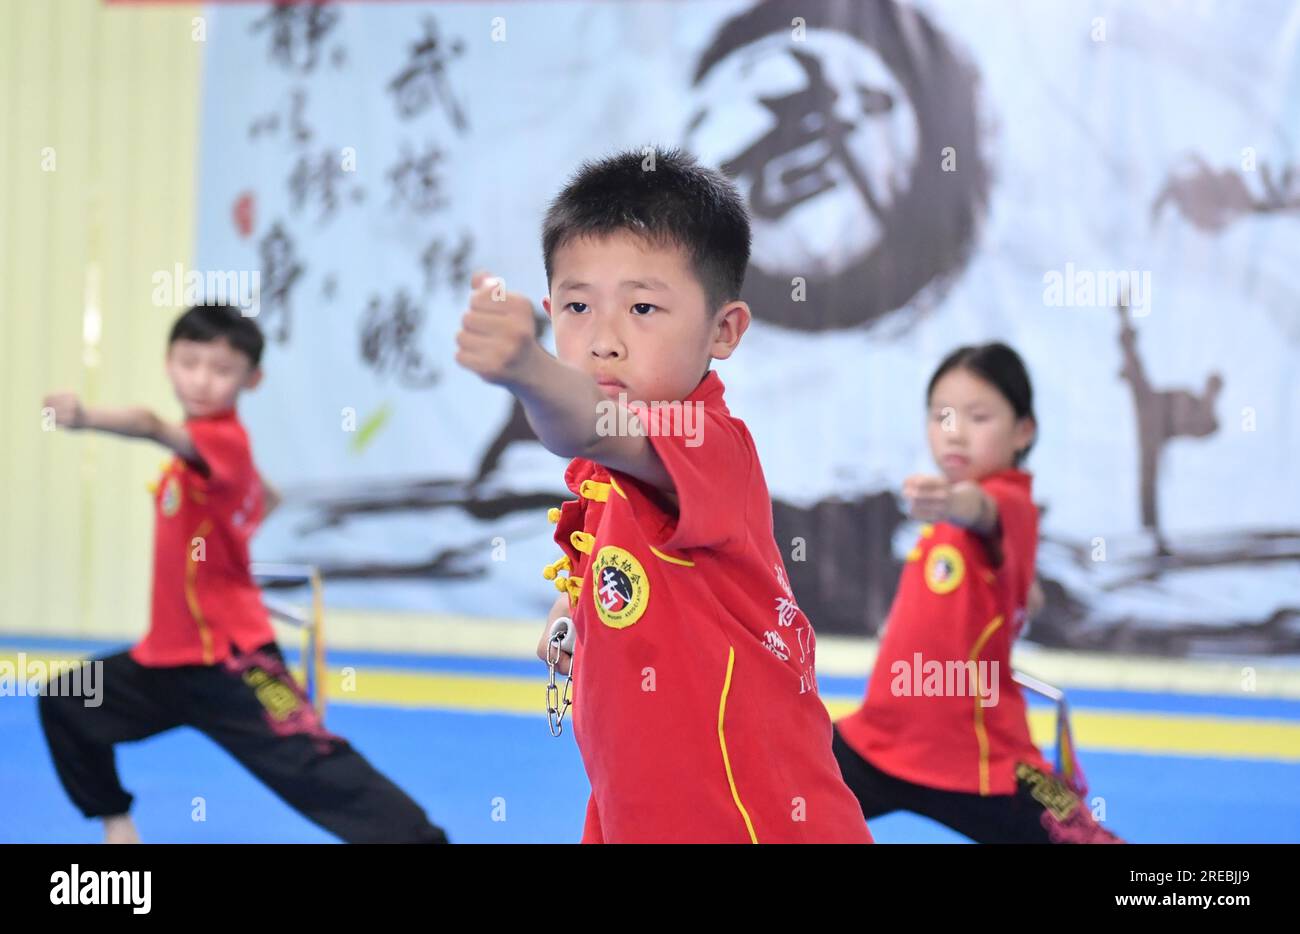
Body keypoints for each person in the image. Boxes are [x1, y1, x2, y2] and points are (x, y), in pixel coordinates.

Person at [455, 147, 871, 843]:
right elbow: (611, 541)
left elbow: (588, 422)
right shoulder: (606, 470)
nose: (604, 341)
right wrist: (573, 609)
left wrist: (528, 368)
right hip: (634, 811)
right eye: (578, 307)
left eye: (643, 307)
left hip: (755, 823)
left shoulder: (707, 441)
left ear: (724, 330)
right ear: (552, 307)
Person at [39, 304, 447, 844]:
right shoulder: (209, 462)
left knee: (318, 769)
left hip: (233, 663)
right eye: (190, 362)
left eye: (222, 369)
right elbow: (266, 497)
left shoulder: (221, 441)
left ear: (251, 379)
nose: (203, 380)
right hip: (163, 663)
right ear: (169, 363)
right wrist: (230, 549)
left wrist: (86, 416)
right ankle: (117, 826)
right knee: (67, 700)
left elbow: (149, 424)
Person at [834, 342, 1121, 843]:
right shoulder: (944, 527)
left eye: (979, 416)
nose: (955, 431)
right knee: (756, 799)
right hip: (877, 746)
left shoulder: (1006, 501)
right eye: (941, 415)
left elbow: (982, 508)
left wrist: (950, 499)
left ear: (1023, 431)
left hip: (984, 767)